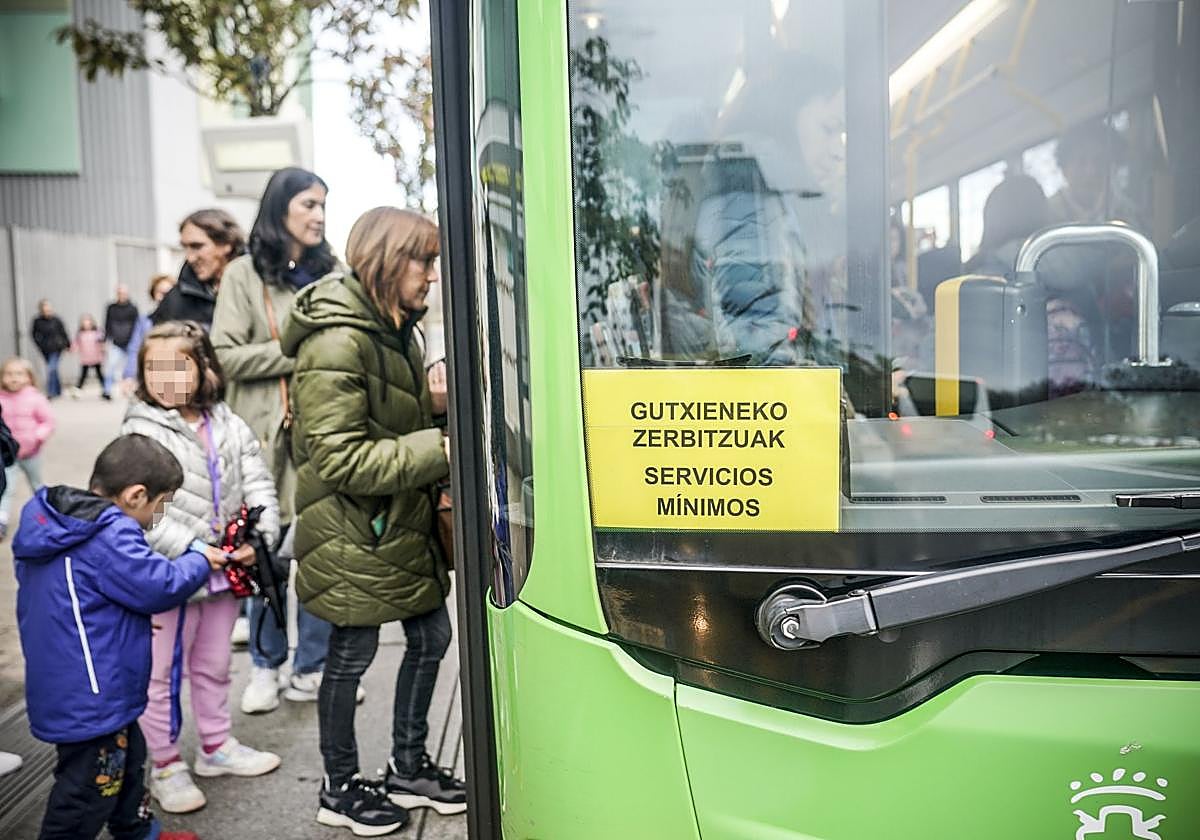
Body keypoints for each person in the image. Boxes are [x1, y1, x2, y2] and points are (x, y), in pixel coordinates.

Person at [282, 206, 464, 836]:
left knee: (432, 637)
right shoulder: (338, 339)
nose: (434, 276)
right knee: (351, 654)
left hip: (394, 520)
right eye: (425, 261)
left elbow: (384, 415)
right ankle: (338, 787)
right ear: (387, 260)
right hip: (353, 528)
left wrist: (433, 401)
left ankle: (408, 766)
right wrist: (436, 450)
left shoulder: (396, 329)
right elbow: (338, 457)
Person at [12, 433, 216, 840]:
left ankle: (137, 832)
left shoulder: (59, 525)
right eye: (163, 506)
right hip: (93, 698)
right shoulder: (110, 532)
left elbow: (81, 599)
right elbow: (159, 585)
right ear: (137, 495)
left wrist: (123, 623)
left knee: (126, 764)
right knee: (88, 791)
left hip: (74, 684)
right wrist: (200, 558)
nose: (161, 517)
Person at [120, 321, 282, 814]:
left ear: (204, 366)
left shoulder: (229, 423)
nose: (166, 377)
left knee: (212, 665)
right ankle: (165, 765)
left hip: (222, 569)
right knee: (160, 674)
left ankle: (216, 746)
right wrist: (192, 548)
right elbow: (142, 509)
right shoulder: (139, 430)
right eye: (154, 367)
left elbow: (258, 481)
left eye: (178, 365)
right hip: (168, 573)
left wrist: (260, 535)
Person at [211, 166, 339, 715]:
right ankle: (265, 665)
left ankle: (311, 669)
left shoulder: (331, 272)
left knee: (316, 555)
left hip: (321, 440)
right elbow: (224, 354)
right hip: (260, 443)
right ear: (281, 207)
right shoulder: (243, 274)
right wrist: (294, 350)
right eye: (309, 204)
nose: (318, 215)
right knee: (264, 556)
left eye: (323, 205)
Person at [154, 209, 247, 330]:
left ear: (226, 244)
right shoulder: (174, 301)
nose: (190, 258)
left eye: (197, 246)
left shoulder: (260, 288)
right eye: (185, 247)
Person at [0, 358, 55, 541]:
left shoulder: (35, 398)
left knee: (37, 485)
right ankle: (1, 520)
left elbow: (48, 422)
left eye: (19, 374)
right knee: (6, 488)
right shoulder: (1, 398)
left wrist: (37, 437)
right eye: (9, 374)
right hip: (9, 456)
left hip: (31, 453)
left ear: (29, 377)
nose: (14, 378)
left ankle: (47, 515)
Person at [123, 274, 178, 386]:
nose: (165, 297)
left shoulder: (184, 321)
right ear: (153, 295)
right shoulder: (145, 322)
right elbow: (135, 348)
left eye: (169, 293)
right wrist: (129, 375)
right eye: (160, 293)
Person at [103, 285, 140, 397]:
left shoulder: (133, 308)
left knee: (131, 369)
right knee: (110, 367)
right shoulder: (111, 308)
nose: (121, 295)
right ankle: (107, 391)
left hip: (130, 343)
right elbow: (107, 324)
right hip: (116, 343)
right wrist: (105, 340)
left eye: (123, 293)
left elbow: (137, 326)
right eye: (119, 293)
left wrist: (136, 342)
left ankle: (130, 390)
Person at [31, 301, 70, 399]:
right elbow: (34, 334)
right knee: (54, 369)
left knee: (51, 368)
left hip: (57, 348)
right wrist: (40, 344)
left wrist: (67, 344)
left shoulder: (57, 320)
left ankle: (50, 392)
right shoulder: (37, 321)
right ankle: (58, 390)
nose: (47, 310)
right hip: (45, 349)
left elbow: (63, 332)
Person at [72, 314, 108, 398]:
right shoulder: (80, 334)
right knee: (83, 376)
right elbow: (76, 344)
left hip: (96, 358)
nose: (87, 325)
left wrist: (103, 350)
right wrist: (72, 348)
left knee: (100, 375)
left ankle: (106, 390)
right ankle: (77, 390)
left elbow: (102, 342)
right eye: (85, 323)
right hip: (85, 359)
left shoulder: (97, 332)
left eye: (88, 323)